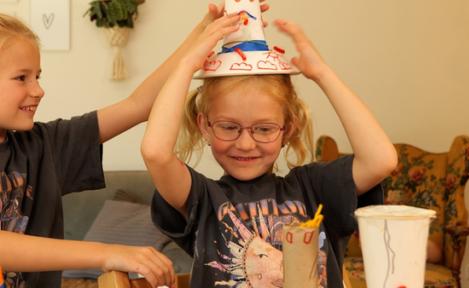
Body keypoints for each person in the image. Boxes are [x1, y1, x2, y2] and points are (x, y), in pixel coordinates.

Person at [0, 2, 268, 287]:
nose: (38, 90)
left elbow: (138, 105)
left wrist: (202, 36)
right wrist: (107, 253)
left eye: (37, 76)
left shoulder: (43, 146)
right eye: (21, 78)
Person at [141, 11, 397, 288]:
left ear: (287, 129)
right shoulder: (202, 199)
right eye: (229, 127)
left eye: (264, 129)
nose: (246, 143)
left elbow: (380, 160)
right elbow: (156, 153)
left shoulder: (312, 188)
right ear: (205, 126)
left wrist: (323, 74)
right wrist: (187, 65)